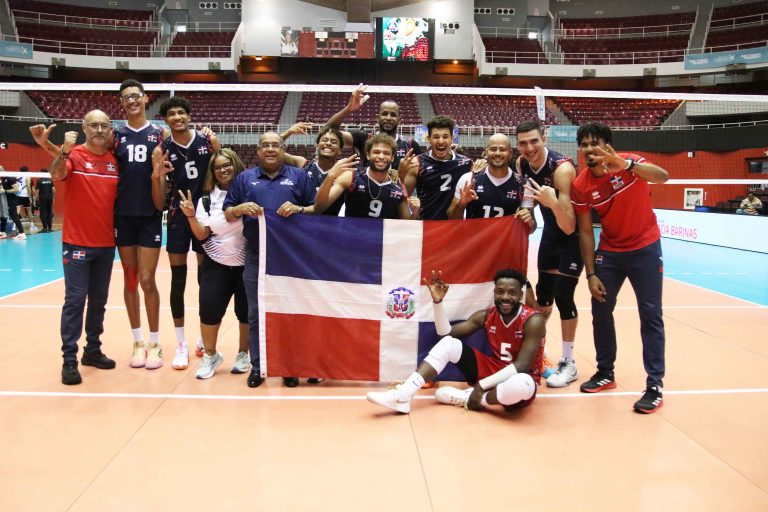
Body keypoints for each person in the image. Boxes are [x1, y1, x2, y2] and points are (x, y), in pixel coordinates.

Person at [571, 122, 669, 414]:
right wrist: (590, 273)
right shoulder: (581, 184)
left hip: (645, 250)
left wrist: (625, 164)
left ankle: (654, 385)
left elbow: (662, 177)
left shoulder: (632, 163)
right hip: (611, 253)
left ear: (608, 145)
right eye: (585, 144)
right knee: (600, 309)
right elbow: (586, 232)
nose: (590, 149)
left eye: (595, 143)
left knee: (650, 315)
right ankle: (605, 372)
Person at [366, 269, 546, 414]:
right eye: (500, 291)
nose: (505, 297)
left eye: (512, 292)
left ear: (520, 294)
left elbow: (521, 366)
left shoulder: (533, 320)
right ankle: (402, 396)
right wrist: (438, 302)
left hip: (517, 378)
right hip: (492, 369)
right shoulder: (487, 315)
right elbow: (446, 333)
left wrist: (481, 387)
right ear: (494, 292)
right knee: (449, 344)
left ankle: (474, 398)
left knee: (523, 383)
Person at [222, 132, 316, 389]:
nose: (271, 149)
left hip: (290, 257)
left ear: (283, 149)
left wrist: (299, 210)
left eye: (276, 145)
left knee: (289, 314)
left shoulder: (299, 177)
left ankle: (289, 366)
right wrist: (240, 209)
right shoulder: (244, 179)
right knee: (256, 313)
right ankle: (258, 366)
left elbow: (315, 209)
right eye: (266, 145)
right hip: (256, 256)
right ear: (259, 150)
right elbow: (228, 213)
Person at [34, 110, 119, 384]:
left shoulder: (113, 161)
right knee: (74, 301)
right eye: (93, 125)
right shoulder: (74, 155)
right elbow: (56, 173)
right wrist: (63, 151)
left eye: (103, 125)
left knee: (99, 301)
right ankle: (69, 360)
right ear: (84, 128)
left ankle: (92, 350)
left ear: (109, 130)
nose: (98, 130)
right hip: (76, 243)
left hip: (106, 244)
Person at [151, 96, 220, 371]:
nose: (177, 117)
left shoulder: (208, 142)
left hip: (203, 214)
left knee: (207, 279)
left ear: (189, 116)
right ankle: (181, 344)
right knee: (177, 280)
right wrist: (157, 175)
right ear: (166, 120)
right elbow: (158, 202)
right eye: (172, 114)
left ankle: (204, 338)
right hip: (179, 217)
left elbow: (222, 177)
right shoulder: (162, 150)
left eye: (181, 113)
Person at [515, 120, 581, 388]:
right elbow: (529, 205)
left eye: (534, 141)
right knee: (543, 301)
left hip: (571, 239)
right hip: (550, 238)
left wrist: (552, 201)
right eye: (522, 143)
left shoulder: (562, 169)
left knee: (564, 297)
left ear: (544, 138)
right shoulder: (521, 164)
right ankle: (538, 353)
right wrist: (528, 217)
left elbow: (569, 225)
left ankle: (569, 362)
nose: (529, 148)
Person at [177, 148, 250, 379]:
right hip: (216, 262)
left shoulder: (251, 192)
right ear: (213, 172)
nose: (223, 170)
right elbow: (201, 235)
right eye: (217, 167)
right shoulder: (207, 200)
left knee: (246, 313)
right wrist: (190, 216)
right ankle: (210, 355)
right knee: (209, 312)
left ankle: (243, 354)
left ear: (236, 164)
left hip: (248, 263)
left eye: (227, 164)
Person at [111, 79, 167, 370]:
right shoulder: (115, 136)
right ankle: (138, 341)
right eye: (125, 98)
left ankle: (155, 343)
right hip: (123, 216)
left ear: (145, 99)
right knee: (130, 278)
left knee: (147, 279)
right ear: (121, 103)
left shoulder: (160, 133)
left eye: (135, 96)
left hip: (149, 216)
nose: (131, 101)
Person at [314, 133, 419, 219]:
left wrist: (415, 212)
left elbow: (407, 225)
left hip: (382, 242)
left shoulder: (398, 185)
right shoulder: (351, 177)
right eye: (376, 152)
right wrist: (331, 176)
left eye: (386, 153)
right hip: (352, 240)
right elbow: (319, 208)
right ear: (368, 155)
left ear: (392, 158)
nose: (381, 156)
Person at [325, 83, 422, 170]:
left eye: (393, 115)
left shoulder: (410, 145)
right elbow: (328, 131)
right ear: (377, 118)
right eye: (384, 114)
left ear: (399, 120)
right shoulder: (364, 138)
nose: (388, 118)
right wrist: (348, 109)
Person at [447, 133, 534, 229]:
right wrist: (461, 204)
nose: (497, 153)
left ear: (510, 153)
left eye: (502, 149)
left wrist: (529, 221)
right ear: (486, 152)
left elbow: (531, 229)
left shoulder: (524, 185)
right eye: (493, 149)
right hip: (475, 243)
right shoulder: (468, 179)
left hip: (506, 243)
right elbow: (451, 219)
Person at [400, 115, 472, 220]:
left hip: (453, 226)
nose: (441, 141)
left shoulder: (466, 164)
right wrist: (401, 175)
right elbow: (402, 198)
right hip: (426, 225)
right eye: (436, 137)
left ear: (452, 138)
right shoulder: (417, 163)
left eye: (445, 136)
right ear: (429, 139)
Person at [281, 124, 347, 216]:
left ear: (340, 150)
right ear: (317, 146)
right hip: (301, 223)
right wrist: (287, 133)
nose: (328, 143)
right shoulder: (303, 164)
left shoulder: (344, 174)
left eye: (334, 141)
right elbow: (274, 150)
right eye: (324, 140)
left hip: (330, 226)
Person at [0, 172, 25, 240]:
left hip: (12, 201)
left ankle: (22, 234)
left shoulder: (9, 178)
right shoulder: (3, 179)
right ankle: (2, 233)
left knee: (14, 216)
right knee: (4, 216)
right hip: (5, 201)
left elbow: (16, 189)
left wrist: (5, 191)